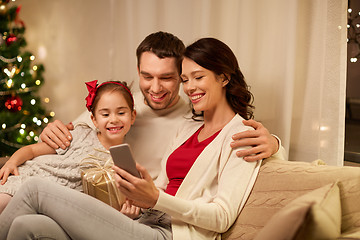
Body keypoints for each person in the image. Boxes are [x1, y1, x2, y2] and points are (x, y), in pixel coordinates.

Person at [0, 37, 282, 240]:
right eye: (186, 80)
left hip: (171, 232)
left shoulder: (239, 135)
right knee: (27, 225)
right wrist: (139, 203)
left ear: (223, 78)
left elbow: (221, 216)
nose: (190, 87)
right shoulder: (181, 125)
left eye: (196, 77)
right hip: (141, 218)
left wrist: (275, 145)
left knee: (35, 189)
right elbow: (82, 128)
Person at [38, 31, 284, 181]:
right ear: (138, 72)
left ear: (181, 75)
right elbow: (72, 135)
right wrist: (50, 132)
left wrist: (274, 144)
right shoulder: (120, 106)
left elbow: (232, 132)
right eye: (147, 76)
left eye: (166, 78)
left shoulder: (196, 113)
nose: (155, 88)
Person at [0, 80, 136, 213]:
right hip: (26, 178)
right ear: (94, 120)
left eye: (121, 113)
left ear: (132, 116)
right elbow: (32, 150)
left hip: (47, 203)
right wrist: (11, 162)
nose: (114, 120)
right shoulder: (79, 135)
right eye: (105, 114)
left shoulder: (123, 162)